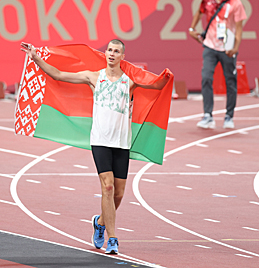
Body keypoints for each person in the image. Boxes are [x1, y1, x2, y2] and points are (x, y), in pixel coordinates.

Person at [21, 39, 170, 255]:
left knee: (118, 194)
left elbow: (156, 85)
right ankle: (113, 239)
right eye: (109, 50)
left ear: (122, 57)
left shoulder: (130, 81)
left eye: (116, 51)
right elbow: (58, 75)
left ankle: (99, 222)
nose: (111, 53)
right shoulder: (94, 77)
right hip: (100, 141)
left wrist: (166, 76)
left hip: (121, 143)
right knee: (107, 187)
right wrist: (36, 57)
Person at [189, 0, 247, 129]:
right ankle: (207, 115)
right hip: (210, 46)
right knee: (206, 78)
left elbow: (240, 30)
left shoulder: (235, 3)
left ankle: (229, 115)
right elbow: (198, 12)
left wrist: (235, 48)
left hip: (227, 49)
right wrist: (192, 28)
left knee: (230, 82)